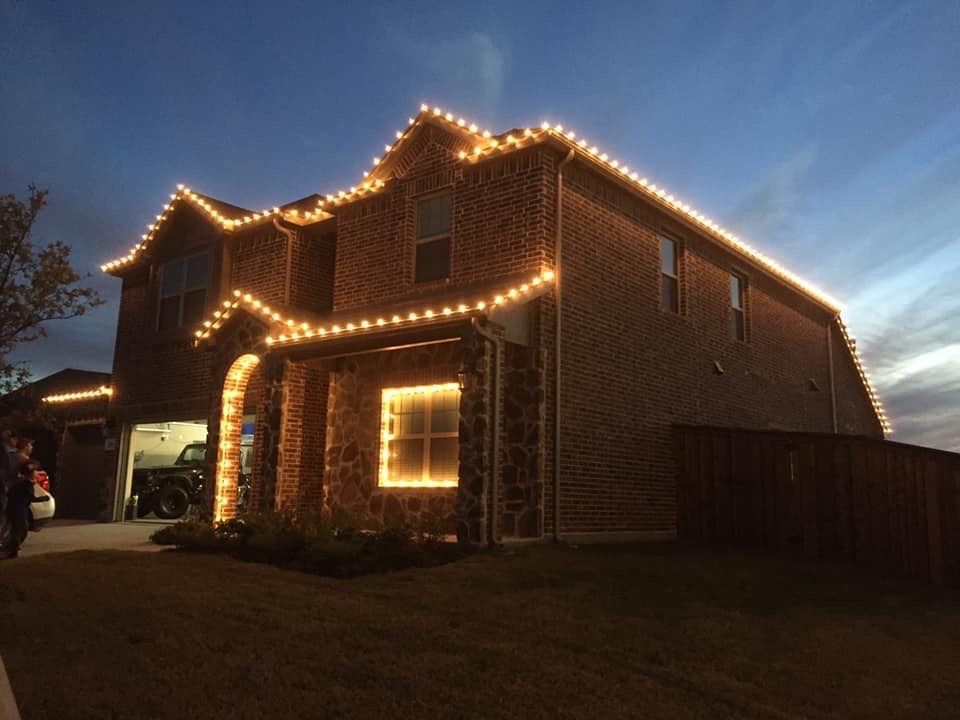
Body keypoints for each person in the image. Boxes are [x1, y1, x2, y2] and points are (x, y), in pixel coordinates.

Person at [3, 437, 36, 558]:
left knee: (18, 523)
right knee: (20, 524)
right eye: (30, 445)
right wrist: (29, 478)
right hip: (19, 495)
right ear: (25, 446)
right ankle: (11, 549)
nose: (32, 448)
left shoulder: (15, 458)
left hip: (18, 496)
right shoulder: (21, 460)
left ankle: (11, 548)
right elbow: (21, 476)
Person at [0, 430, 19, 557]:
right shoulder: (4, 453)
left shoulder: (9, 453)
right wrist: (6, 486)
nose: (15, 441)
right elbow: (3, 472)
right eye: (13, 438)